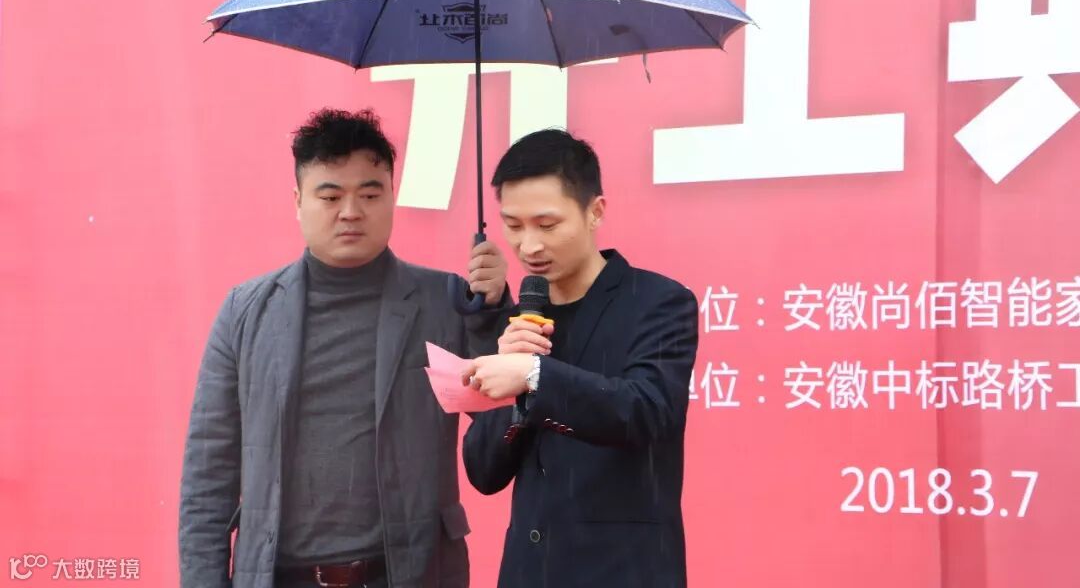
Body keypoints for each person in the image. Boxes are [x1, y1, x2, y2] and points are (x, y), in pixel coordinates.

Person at [179, 108, 508, 588]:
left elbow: (503, 422)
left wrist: (493, 310)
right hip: (279, 577)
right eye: (330, 196)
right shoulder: (245, 312)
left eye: (370, 195)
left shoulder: (449, 301)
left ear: (392, 195)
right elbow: (209, 474)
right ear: (298, 201)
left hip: (409, 574)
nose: (351, 212)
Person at [460, 129, 699, 588]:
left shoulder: (658, 301)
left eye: (547, 225)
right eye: (513, 226)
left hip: (625, 573)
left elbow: (646, 411)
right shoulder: (518, 322)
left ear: (595, 212)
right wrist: (513, 379)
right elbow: (483, 471)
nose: (529, 246)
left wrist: (535, 375)